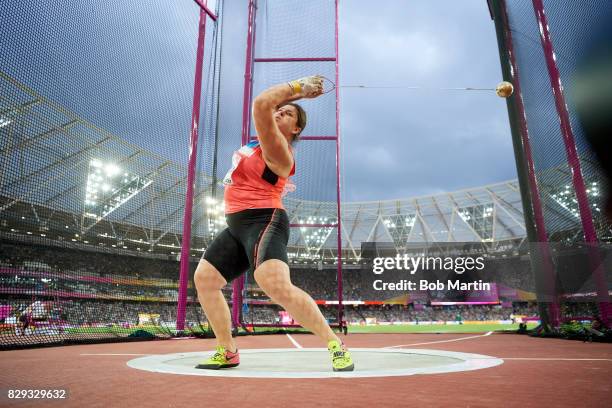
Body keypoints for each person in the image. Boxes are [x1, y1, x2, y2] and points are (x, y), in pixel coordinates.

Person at [193, 75, 353, 372]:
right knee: (205, 280)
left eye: (289, 113)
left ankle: (335, 344)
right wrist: (293, 97)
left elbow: (262, 103)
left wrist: (299, 89)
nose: (281, 111)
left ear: (296, 129)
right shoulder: (255, 145)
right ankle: (227, 351)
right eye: (281, 109)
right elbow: (268, 107)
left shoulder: (278, 149)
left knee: (274, 284)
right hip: (236, 224)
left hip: (265, 219)